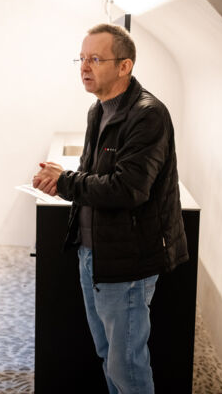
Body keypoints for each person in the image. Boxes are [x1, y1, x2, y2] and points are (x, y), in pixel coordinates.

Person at [33, 23, 189, 394]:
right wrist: (63, 182)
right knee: (108, 355)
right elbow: (93, 176)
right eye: (82, 59)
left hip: (128, 260)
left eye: (95, 59)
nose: (85, 67)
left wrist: (66, 181)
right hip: (94, 253)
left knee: (127, 365)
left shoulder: (148, 115)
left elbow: (127, 188)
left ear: (124, 66)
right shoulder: (98, 110)